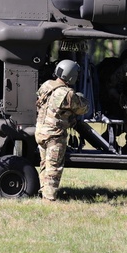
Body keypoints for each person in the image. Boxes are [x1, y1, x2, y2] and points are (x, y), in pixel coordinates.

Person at [34, 59, 89, 201]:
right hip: (54, 135)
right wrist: (82, 98)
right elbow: (82, 109)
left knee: (44, 164)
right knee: (54, 167)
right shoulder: (67, 93)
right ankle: (49, 198)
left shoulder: (47, 85)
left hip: (41, 131)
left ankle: (43, 191)